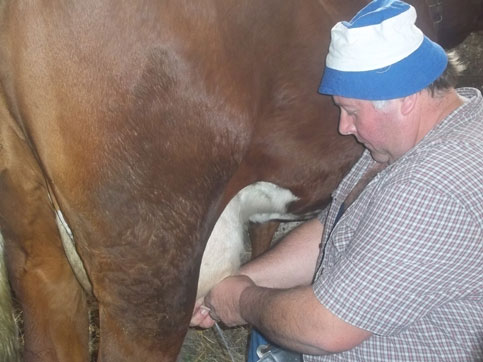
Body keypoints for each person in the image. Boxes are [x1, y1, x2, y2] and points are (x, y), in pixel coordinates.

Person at [191, 0, 483, 360]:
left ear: (405, 100)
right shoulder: (417, 137)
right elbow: (331, 232)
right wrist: (231, 285)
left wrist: (241, 301)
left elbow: (325, 329)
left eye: (351, 111)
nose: (344, 127)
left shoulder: (432, 187)